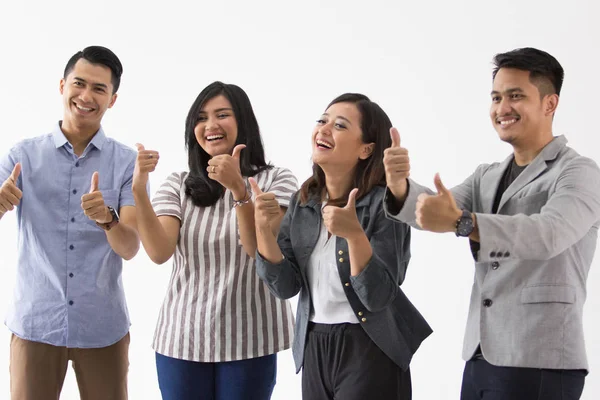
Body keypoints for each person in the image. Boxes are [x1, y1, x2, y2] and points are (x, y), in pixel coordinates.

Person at [383, 47, 600, 399]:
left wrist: (464, 222)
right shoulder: (487, 175)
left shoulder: (578, 171)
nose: (502, 108)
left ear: (550, 104)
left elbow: (548, 234)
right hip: (481, 354)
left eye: (516, 96)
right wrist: (399, 187)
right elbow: (438, 211)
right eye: (496, 97)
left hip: (541, 360)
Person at [253, 93, 432, 400]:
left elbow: (378, 296)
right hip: (313, 343)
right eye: (322, 121)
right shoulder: (303, 201)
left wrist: (354, 236)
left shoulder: (385, 203)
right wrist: (261, 230)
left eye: (339, 125)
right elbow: (285, 287)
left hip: (370, 345)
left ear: (367, 149)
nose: (323, 129)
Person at [133, 81, 297, 400]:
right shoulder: (178, 184)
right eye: (201, 117)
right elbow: (158, 252)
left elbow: (261, 252)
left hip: (251, 339)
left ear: (243, 123)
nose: (210, 125)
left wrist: (239, 190)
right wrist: (139, 189)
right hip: (180, 339)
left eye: (222, 114)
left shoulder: (277, 179)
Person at [0, 46, 140, 400]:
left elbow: (130, 247)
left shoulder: (126, 163)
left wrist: (107, 220)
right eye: (79, 83)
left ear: (113, 99)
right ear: (62, 85)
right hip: (36, 323)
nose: (86, 96)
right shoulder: (22, 156)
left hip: (102, 327)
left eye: (99, 89)